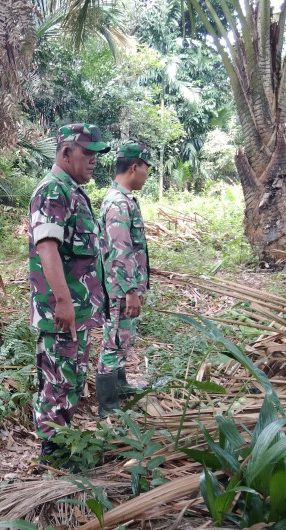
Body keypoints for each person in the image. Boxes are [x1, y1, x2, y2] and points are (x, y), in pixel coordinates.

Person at [28, 123, 111, 464]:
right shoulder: (53, 191)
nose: (93, 161)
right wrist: (63, 302)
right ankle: (54, 454)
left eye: (96, 155)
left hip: (76, 311)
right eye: (87, 153)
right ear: (65, 153)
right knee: (59, 381)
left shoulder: (73, 191)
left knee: (70, 379)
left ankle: (62, 446)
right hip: (63, 313)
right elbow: (47, 248)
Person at [95, 141, 153, 417]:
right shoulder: (118, 203)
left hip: (124, 286)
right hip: (119, 288)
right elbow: (120, 251)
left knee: (122, 338)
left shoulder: (124, 199)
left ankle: (119, 385)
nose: (146, 174)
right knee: (114, 341)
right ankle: (108, 406)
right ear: (134, 167)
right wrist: (130, 290)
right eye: (145, 168)